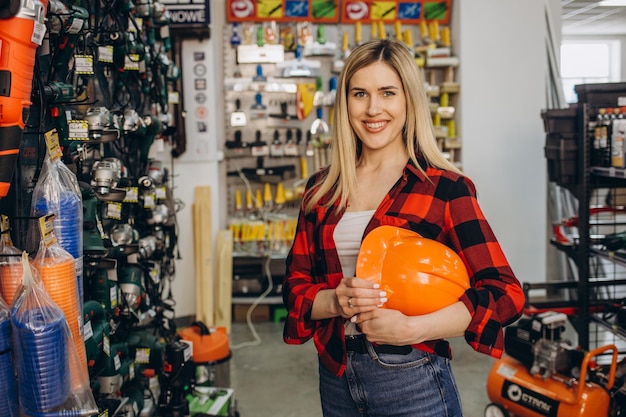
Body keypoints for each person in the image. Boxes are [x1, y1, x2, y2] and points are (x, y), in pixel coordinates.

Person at [282, 38, 525, 417]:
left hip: (413, 378)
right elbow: (294, 287)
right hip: (336, 376)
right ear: (344, 102)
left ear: (408, 100)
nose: (373, 108)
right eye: (359, 93)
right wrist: (333, 300)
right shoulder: (322, 190)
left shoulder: (444, 189)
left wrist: (414, 329)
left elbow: (505, 294)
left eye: (387, 93)